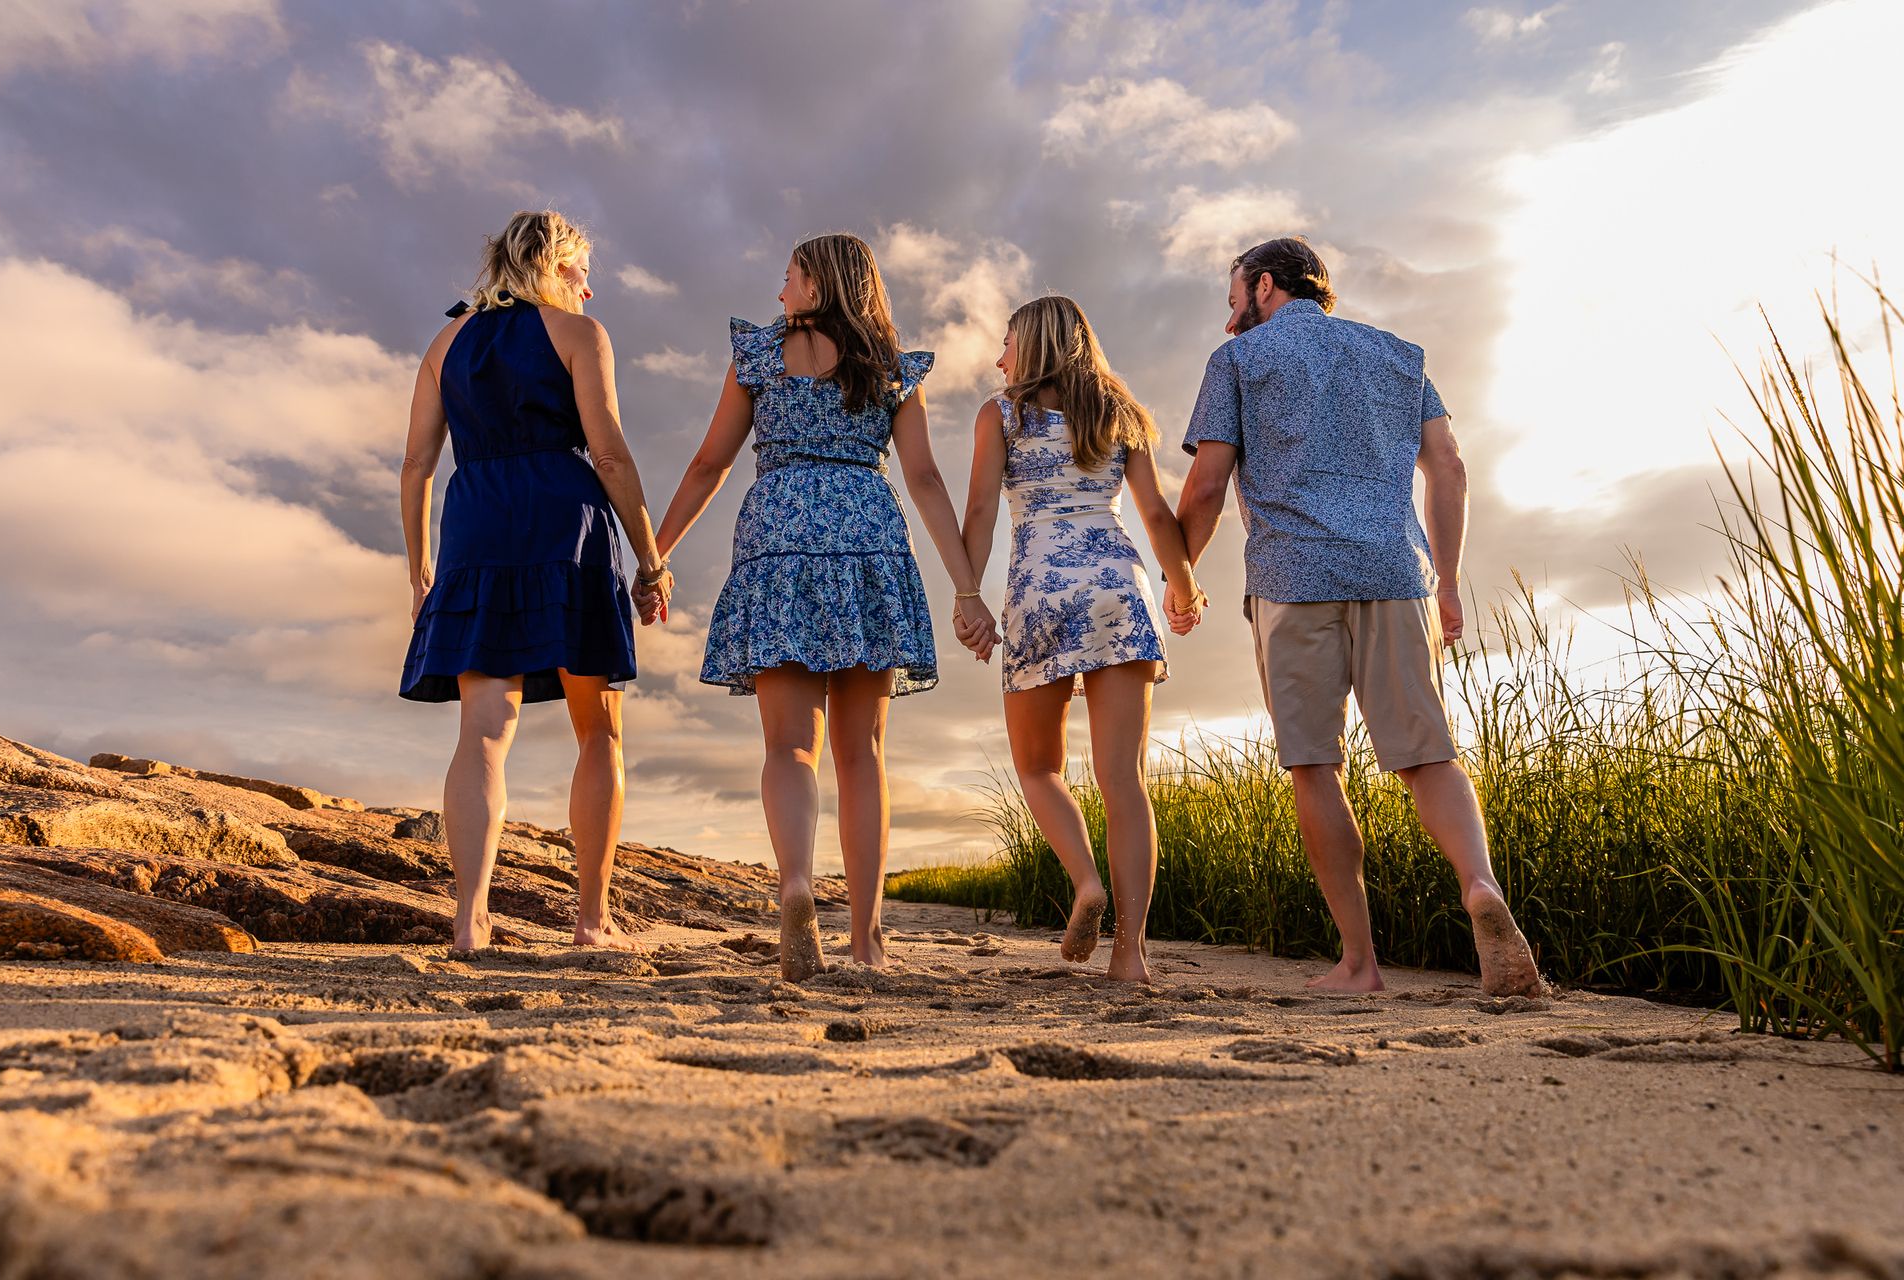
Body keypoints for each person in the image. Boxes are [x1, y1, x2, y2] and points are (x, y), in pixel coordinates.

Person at [1174, 236, 1543, 996]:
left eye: (1233, 297)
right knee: (1427, 754)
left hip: (1293, 576)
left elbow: (1206, 485)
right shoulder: (1398, 355)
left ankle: (1359, 963)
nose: (1229, 314)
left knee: (1315, 764)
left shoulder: (1237, 360)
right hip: (1396, 574)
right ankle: (1480, 886)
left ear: (1264, 286)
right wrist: (1446, 581)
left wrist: (1182, 576)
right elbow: (1450, 467)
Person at [652, 233, 995, 981]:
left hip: (778, 539)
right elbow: (926, 480)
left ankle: (797, 884)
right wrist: (967, 587)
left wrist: (657, 553)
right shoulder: (890, 366)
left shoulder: (757, 356)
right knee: (862, 752)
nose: (779, 293)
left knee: (788, 747)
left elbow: (708, 463)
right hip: (867, 537)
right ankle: (866, 939)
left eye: (788, 278)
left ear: (817, 284)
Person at [400, 210, 672, 953]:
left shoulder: (446, 343)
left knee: (483, 731)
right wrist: (652, 562)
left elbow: (418, 465)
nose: (589, 288)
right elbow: (609, 455)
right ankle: (592, 920)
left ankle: (470, 919)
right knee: (600, 731)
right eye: (582, 271)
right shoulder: (580, 335)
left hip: (476, 528)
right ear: (552, 266)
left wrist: (421, 573)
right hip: (566, 527)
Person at [956, 296, 1204, 984]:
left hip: (1041, 591)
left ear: (1033, 346)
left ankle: (1086, 882)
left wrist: (967, 594)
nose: (999, 358)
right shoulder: (1122, 414)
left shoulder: (1001, 414)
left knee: (1040, 768)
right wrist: (1185, 588)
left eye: (1007, 343)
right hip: (1118, 587)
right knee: (1125, 781)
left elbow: (980, 510)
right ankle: (1131, 954)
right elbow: (1155, 514)